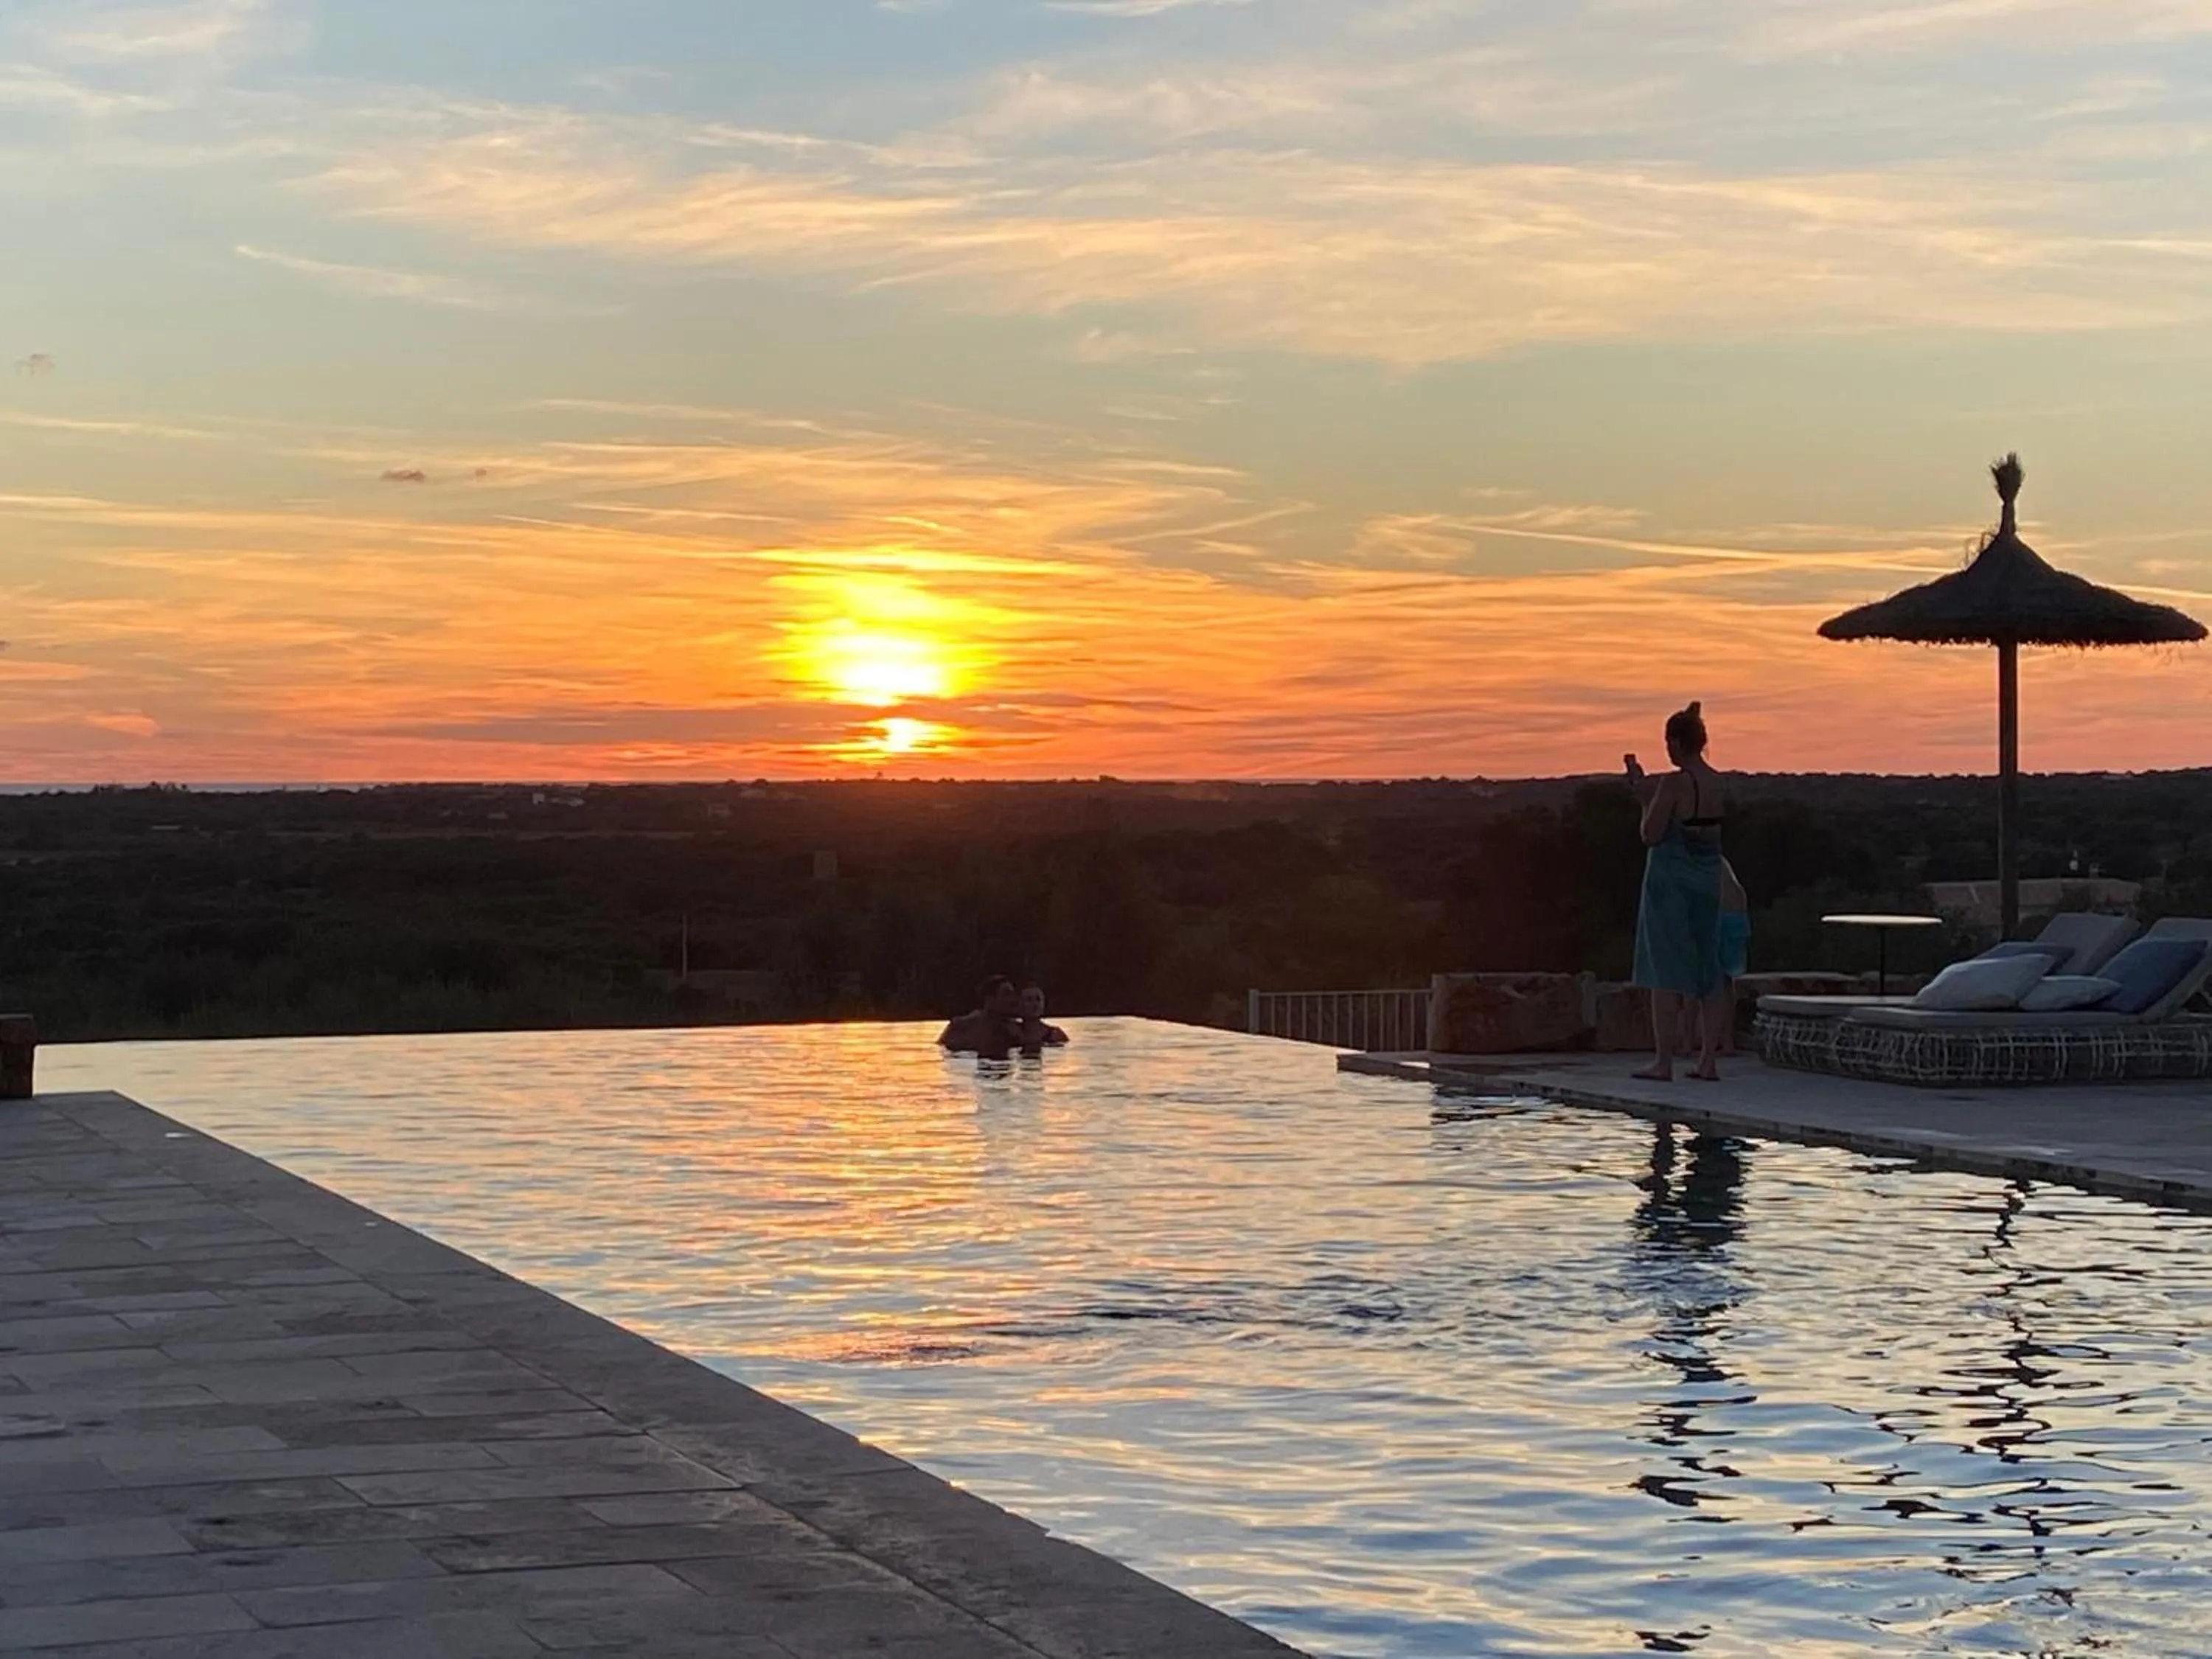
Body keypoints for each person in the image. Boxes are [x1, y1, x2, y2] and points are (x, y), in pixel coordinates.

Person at [1627, 700, 1731, 1082]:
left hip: (1669, 887)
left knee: (1664, 972)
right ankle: (1708, 1061)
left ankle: (1664, 1061)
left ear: (1675, 742)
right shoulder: (1718, 782)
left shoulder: (1673, 784)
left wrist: (1642, 796)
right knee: (1709, 971)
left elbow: (1650, 835)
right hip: (1707, 882)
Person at [939, 976, 1020, 1057]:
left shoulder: (1016, 1028)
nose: (1012, 1000)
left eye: (1013, 994)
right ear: (989, 999)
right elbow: (944, 1047)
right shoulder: (962, 1024)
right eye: (1006, 994)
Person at [1017, 984, 1070, 1049]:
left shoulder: (1055, 1034)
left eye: (1038, 999)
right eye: (1029, 1000)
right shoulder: (1013, 1032)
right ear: (1020, 1004)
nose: (1035, 1004)